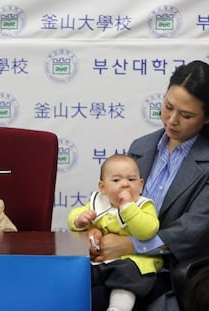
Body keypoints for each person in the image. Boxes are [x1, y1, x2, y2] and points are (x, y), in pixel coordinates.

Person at [89, 60, 209, 311]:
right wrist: (99, 232)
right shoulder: (141, 147)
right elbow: (114, 202)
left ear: (207, 118)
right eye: (168, 107)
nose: (172, 120)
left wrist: (132, 244)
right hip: (119, 265)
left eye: (186, 115)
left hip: (175, 271)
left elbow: (196, 228)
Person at [68, 154, 163, 311]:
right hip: (101, 260)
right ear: (103, 187)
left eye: (131, 180)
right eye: (117, 180)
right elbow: (72, 218)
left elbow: (147, 231)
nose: (125, 184)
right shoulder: (98, 203)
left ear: (141, 185)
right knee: (81, 270)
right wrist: (79, 219)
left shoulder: (142, 205)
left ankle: (118, 308)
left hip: (134, 260)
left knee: (127, 275)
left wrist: (127, 208)